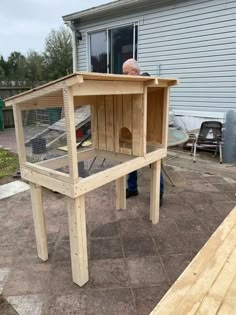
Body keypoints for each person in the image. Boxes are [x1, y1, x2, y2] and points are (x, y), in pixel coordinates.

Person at [122, 58, 164, 206]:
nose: (123, 76)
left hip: (151, 132)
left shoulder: (151, 84)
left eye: (125, 73)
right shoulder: (129, 86)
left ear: (135, 72)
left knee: (155, 163)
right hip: (134, 130)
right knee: (131, 160)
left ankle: (159, 194)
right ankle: (132, 188)